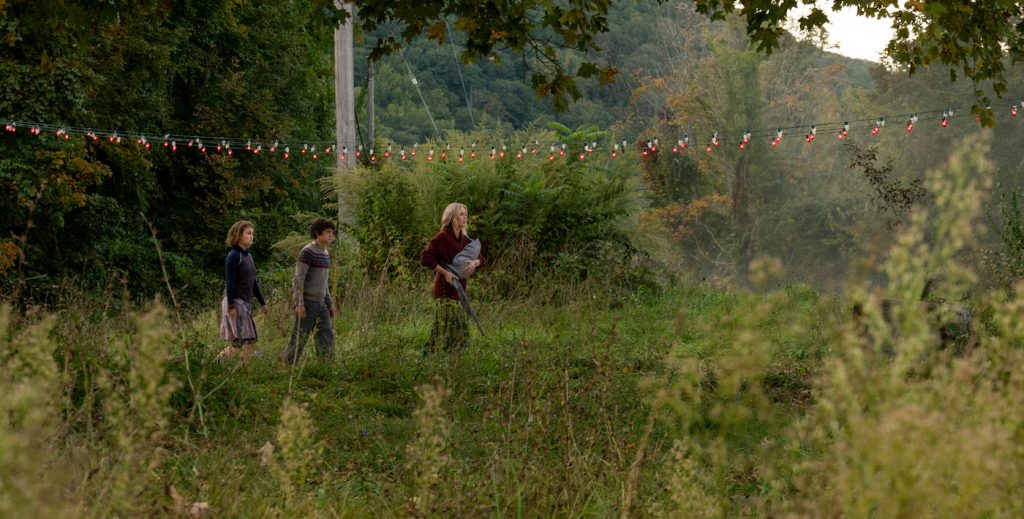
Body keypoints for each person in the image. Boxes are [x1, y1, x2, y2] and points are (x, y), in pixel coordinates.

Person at [420, 203, 483, 353]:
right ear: (452, 217)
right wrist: (445, 272)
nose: (465, 217)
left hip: (460, 290)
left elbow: (481, 257)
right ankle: (438, 361)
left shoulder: (464, 238)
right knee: (448, 331)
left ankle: (449, 364)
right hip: (444, 289)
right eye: (461, 214)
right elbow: (425, 257)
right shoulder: (442, 237)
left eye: (465, 214)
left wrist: (474, 263)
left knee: (458, 333)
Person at [283, 218, 337, 365]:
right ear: (317, 233)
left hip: (321, 303)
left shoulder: (325, 253)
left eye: (331, 232)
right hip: (307, 303)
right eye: (327, 232)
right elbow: (298, 280)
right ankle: (288, 366)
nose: (331, 235)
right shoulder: (307, 252)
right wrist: (299, 303)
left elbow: (324, 282)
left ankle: (326, 366)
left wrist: (330, 304)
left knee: (326, 335)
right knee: (300, 336)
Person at [219, 220, 269, 362]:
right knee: (246, 341)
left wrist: (263, 303)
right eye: (248, 233)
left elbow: (253, 282)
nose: (251, 236)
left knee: (244, 342)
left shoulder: (248, 256)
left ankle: (238, 369)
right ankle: (220, 363)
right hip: (235, 301)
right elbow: (230, 281)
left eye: (252, 234)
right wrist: (231, 306)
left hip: (244, 303)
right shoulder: (234, 255)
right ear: (239, 235)